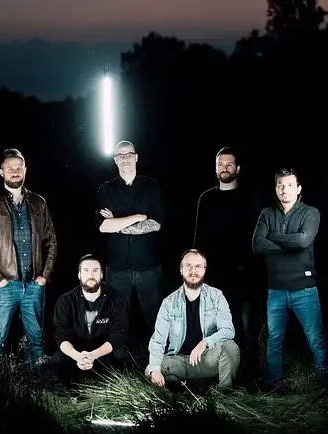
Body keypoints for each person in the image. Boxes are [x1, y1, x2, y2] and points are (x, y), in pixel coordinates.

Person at [0, 148, 57, 371]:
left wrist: (44, 276)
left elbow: (51, 242)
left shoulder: (39, 203)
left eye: (19, 167)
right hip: (4, 286)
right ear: (1, 172)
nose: (15, 171)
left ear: (25, 170)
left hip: (33, 285)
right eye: (10, 168)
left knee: (37, 340)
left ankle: (36, 388)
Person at [252, 167, 328, 391]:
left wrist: (274, 238)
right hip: (275, 289)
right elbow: (257, 245)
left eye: (289, 185)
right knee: (274, 341)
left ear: (298, 189)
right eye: (280, 185)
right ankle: (272, 385)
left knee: (315, 339)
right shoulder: (267, 214)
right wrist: (290, 243)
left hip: (305, 289)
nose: (284, 189)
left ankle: (325, 383)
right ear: (276, 188)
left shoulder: (311, 213)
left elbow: (303, 242)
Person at [193, 146, 265, 351]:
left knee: (246, 325)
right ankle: (221, 374)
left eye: (229, 164)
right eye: (220, 164)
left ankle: (250, 376)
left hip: (245, 274)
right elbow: (199, 239)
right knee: (215, 326)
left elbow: (259, 237)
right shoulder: (206, 199)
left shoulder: (251, 198)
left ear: (238, 168)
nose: (224, 168)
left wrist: (253, 267)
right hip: (215, 275)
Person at [95, 140, 164, 343]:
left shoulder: (152, 186)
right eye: (120, 156)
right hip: (117, 267)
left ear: (136, 157)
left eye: (128, 154)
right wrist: (138, 217)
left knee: (155, 319)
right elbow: (103, 226)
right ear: (115, 161)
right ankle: (117, 364)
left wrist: (116, 222)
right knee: (116, 320)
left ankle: (160, 363)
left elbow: (156, 223)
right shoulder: (105, 189)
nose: (124, 159)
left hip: (148, 266)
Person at [146, 249, 240, 392]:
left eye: (198, 266)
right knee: (152, 368)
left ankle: (224, 394)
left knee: (230, 348)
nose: (193, 271)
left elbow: (228, 330)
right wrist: (155, 370)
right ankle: (184, 390)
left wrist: (205, 342)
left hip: (207, 360)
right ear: (181, 270)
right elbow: (158, 340)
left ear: (204, 270)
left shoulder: (216, 296)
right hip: (180, 361)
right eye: (188, 266)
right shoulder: (169, 302)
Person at [50, 254, 132, 382]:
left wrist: (94, 355)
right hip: (78, 354)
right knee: (57, 360)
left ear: (101, 275)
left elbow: (119, 334)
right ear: (79, 275)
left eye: (95, 270)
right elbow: (61, 336)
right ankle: (74, 392)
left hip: (102, 353)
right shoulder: (66, 301)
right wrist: (77, 356)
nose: (91, 275)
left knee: (122, 356)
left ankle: (110, 388)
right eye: (86, 270)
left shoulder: (116, 298)